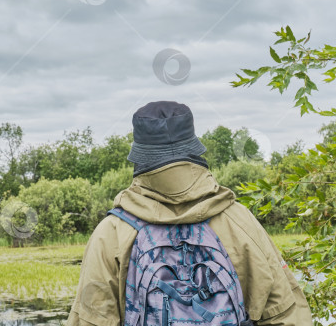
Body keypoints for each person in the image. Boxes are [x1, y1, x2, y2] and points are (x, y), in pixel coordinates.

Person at [66, 101, 313, 326]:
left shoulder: (111, 233)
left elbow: (88, 320)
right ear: (194, 149)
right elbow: (285, 312)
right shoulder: (238, 219)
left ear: (139, 156)